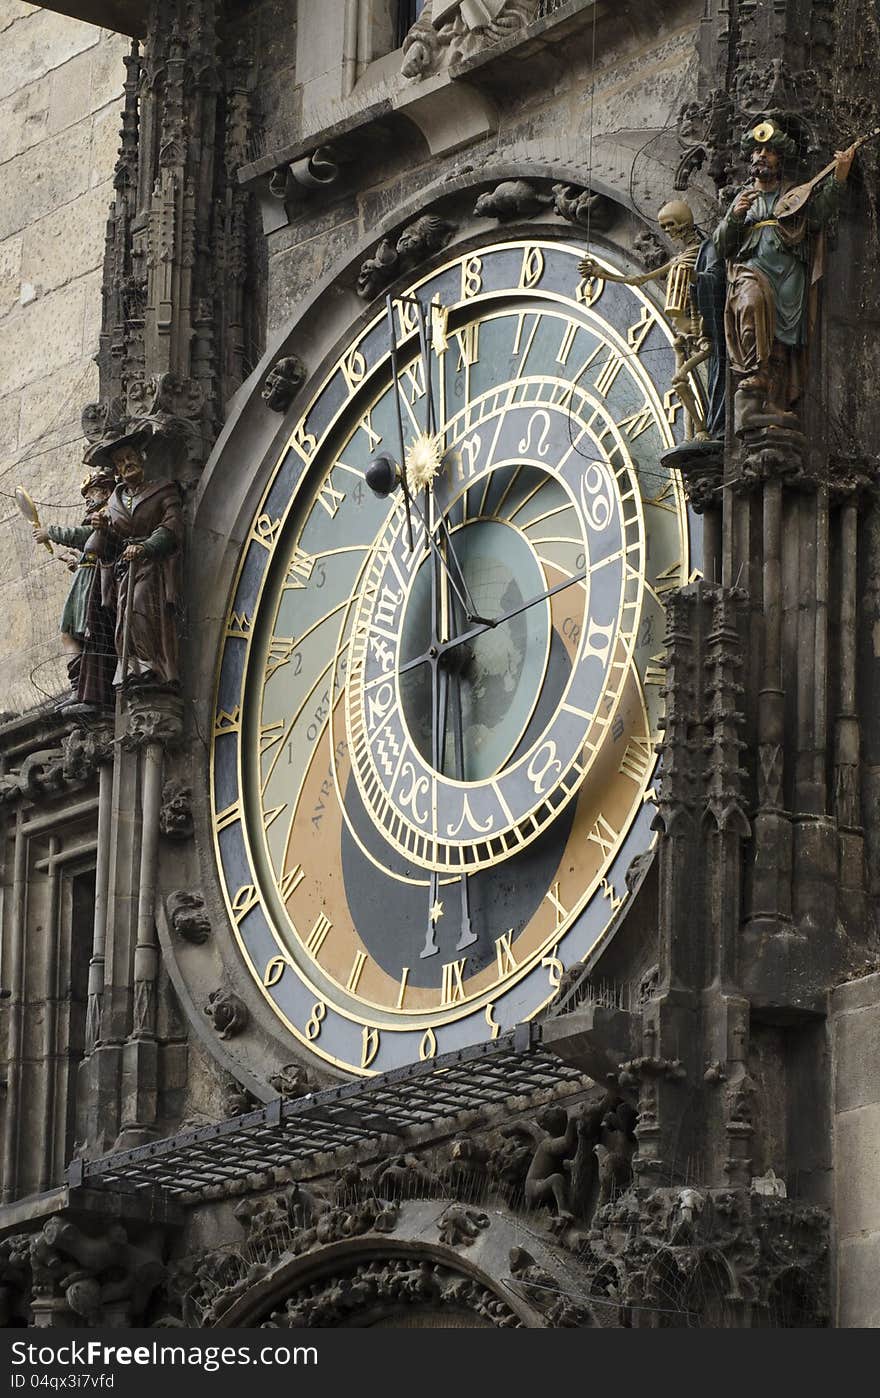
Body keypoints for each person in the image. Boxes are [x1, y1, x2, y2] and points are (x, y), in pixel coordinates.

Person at [714, 120, 857, 425]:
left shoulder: (793, 193)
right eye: (756, 150)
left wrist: (839, 178)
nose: (761, 155)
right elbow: (721, 244)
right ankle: (752, 394)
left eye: (769, 150)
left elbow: (817, 216)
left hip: (789, 273)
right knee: (751, 308)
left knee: (781, 338)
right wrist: (737, 217)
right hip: (751, 270)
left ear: (781, 156)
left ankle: (773, 404)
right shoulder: (742, 199)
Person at [98, 435, 183, 688]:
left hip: (151, 566)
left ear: (141, 458)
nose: (127, 464)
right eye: (120, 462)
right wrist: (103, 528)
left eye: (130, 458)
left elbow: (172, 524)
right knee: (125, 616)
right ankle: (132, 669)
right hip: (125, 569)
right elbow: (112, 540)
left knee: (140, 608)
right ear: (116, 470)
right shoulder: (114, 502)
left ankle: (154, 665)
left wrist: (145, 547)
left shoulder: (163, 489)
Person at [32, 468, 118, 709]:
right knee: (70, 634)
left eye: (93, 492)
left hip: (94, 584)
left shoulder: (109, 513)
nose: (88, 498)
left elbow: (85, 536)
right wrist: (77, 562)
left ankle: (82, 690)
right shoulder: (99, 514)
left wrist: (51, 532)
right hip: (84, 580)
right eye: (86, 494)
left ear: (107, 491)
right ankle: (77, 688)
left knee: (83, 634)